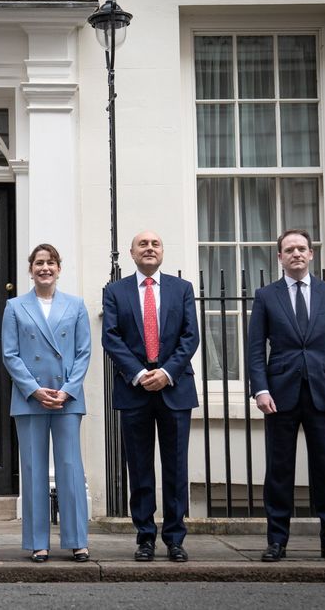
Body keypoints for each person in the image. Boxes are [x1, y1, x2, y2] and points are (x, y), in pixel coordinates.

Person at [248, 228, 325, 563]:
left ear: (311, 254)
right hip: (279, 395)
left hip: (324, 393)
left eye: (301, 248)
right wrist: (260, 389)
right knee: (279, 470)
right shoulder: (266, 296)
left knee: (324, 467)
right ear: (280, 257)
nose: (296, 254)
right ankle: (277, 541)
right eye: (289, 249)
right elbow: (255, 349)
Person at [101, 230, 199, 563]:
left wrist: (166, 372)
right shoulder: (116, 291)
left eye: (155, 244)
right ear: (131, 253)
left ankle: (175, 538)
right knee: (140, 469)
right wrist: (141, 374)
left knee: (176, 468)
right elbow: (111, 338)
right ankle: (145, 538)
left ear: (162, 251)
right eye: (142, 244)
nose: (149, 248)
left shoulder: (181, 289)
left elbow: (190, 337)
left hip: (175, 387)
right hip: (135, 390)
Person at [2, 244, 91, 563]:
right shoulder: (14, 306)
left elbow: (83, 352)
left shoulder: (76, 305)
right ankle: (38, 542)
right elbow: (10, 354)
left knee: (70, 467)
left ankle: (78, 540)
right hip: (30, 399)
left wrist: (67, 390)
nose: (45, 268)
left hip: (67, 398)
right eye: (39, 263)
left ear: (58, 268)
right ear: (30, 269)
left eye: (51, 262)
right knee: (33, 470)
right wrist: (34, 389)